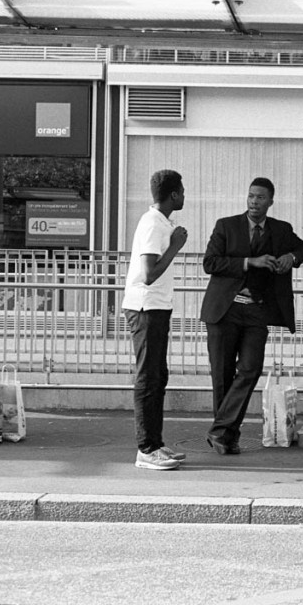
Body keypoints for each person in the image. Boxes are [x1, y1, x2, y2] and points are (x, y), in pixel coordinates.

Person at [200, 177, 303, 455]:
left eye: (260, 197)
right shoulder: (226, 226)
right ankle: (228, 436)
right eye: (251, 196)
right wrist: (248, 262)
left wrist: (291, 257)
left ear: (271, 201)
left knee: (250, 369)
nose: (254, 202)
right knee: (222, 375)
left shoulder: (281, 229)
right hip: (224, 309)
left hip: (257, 311)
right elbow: (210, 263)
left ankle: (219, 430)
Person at [123, 169, 188, 470]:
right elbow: (148, 274)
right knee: (148, 378)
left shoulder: (160, 222)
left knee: (158, 376)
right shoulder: (153, 224)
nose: (184, 196)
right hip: (146, 307)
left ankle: (156, 444)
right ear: (173, 194)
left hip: (156, 308)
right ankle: (146, 449)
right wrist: (175, 245)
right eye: (182, 191)